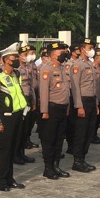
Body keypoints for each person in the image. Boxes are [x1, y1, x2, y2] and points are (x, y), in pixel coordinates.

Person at [0, 42, 27, 191]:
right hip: (4, 118)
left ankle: (10, 178)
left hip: (17, 116)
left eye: (16, 57)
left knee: (13, 149)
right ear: (4, 60)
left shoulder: (16, 74)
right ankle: (2, 181)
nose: (15, 60)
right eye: (12, 58)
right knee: (4, 151)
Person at [37, 41, 70, 179]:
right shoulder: (46, 69)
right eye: (60, 53)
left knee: (59, 138)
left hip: (63, 108)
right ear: (53, 55)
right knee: (49, 139)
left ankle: (56, 165)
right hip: (51, 108)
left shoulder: (63, 68)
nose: (63, 55)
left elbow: (66, 90)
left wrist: (67, 107)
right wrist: (44, 111)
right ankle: (48, 167)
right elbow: (44, 92)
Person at [70, 39, 98, 171]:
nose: (92, 50)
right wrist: (79, 106)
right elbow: (75, 88)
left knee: (89, 131)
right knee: (81, 132)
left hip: (92, 100)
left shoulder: (90, 64)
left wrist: (97, 104)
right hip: (83, 101)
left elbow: (94, 86)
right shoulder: (77, 65)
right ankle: (77, 160)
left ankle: (83, 158)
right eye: (89, 47)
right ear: (82, 49)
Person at [14, 43, 36, 165]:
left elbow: (31, 85)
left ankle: (21, 153)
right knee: (19, 129)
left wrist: (33, 101)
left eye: (27, 54)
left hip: (28, 99)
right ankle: (16, 154)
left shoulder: (28, 67)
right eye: (24, 55)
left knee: (25, 128)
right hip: (19, 101)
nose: (26, 56)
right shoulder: (16, 69)